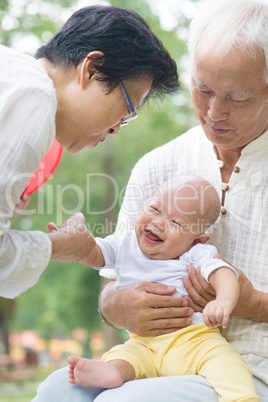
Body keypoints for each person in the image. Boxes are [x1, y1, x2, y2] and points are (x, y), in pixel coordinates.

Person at [33, 0, 268, 400]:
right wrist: (117, 306)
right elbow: (110, 280)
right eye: (203, 89)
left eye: (238, 97)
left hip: (250, 372)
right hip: (154, 359)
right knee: (59, 389)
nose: (214, 112)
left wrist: (250, 303)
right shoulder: (158, 166)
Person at [0, 5, 179, 299]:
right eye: (126, 109)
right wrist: (62, 245)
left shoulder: (13, 74)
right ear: (92, 69)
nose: (116, 130)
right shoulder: (35, 97)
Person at [67, 175, 259, 401]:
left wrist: (224, 301)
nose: (158, 223)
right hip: (144, 342)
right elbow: (96, 254)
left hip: (194, 342)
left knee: (228, 367)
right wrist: (79, 246)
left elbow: (223, 273)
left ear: (196, 240)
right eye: (155, 208)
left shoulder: (193, 253)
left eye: (175, 222)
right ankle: (114, 371)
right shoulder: (126, 245)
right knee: (124, 355)